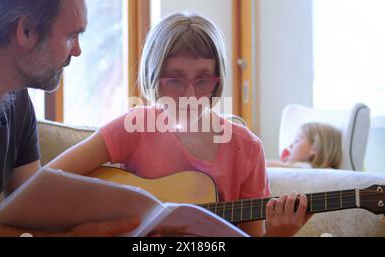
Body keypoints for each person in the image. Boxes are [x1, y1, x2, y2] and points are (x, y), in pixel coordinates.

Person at [47, 12, 311, 237]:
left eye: (203, 80)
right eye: (175, 80)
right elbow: (44, 182)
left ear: (218, 81)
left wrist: (278, 234)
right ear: (154, 77)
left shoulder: (247, 149)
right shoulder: (136, 126)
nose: (189, 95)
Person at [0, 0, 139, 236]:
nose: (78, 51)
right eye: (71, 36)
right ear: (26, 31)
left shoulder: (18, 102)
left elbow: (31, 207)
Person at [267, 122, 343, 169]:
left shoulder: (305, 167)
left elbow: (263, 165)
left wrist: (284, 164)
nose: (290, 145)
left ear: (315, 148)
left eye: (297, 140)